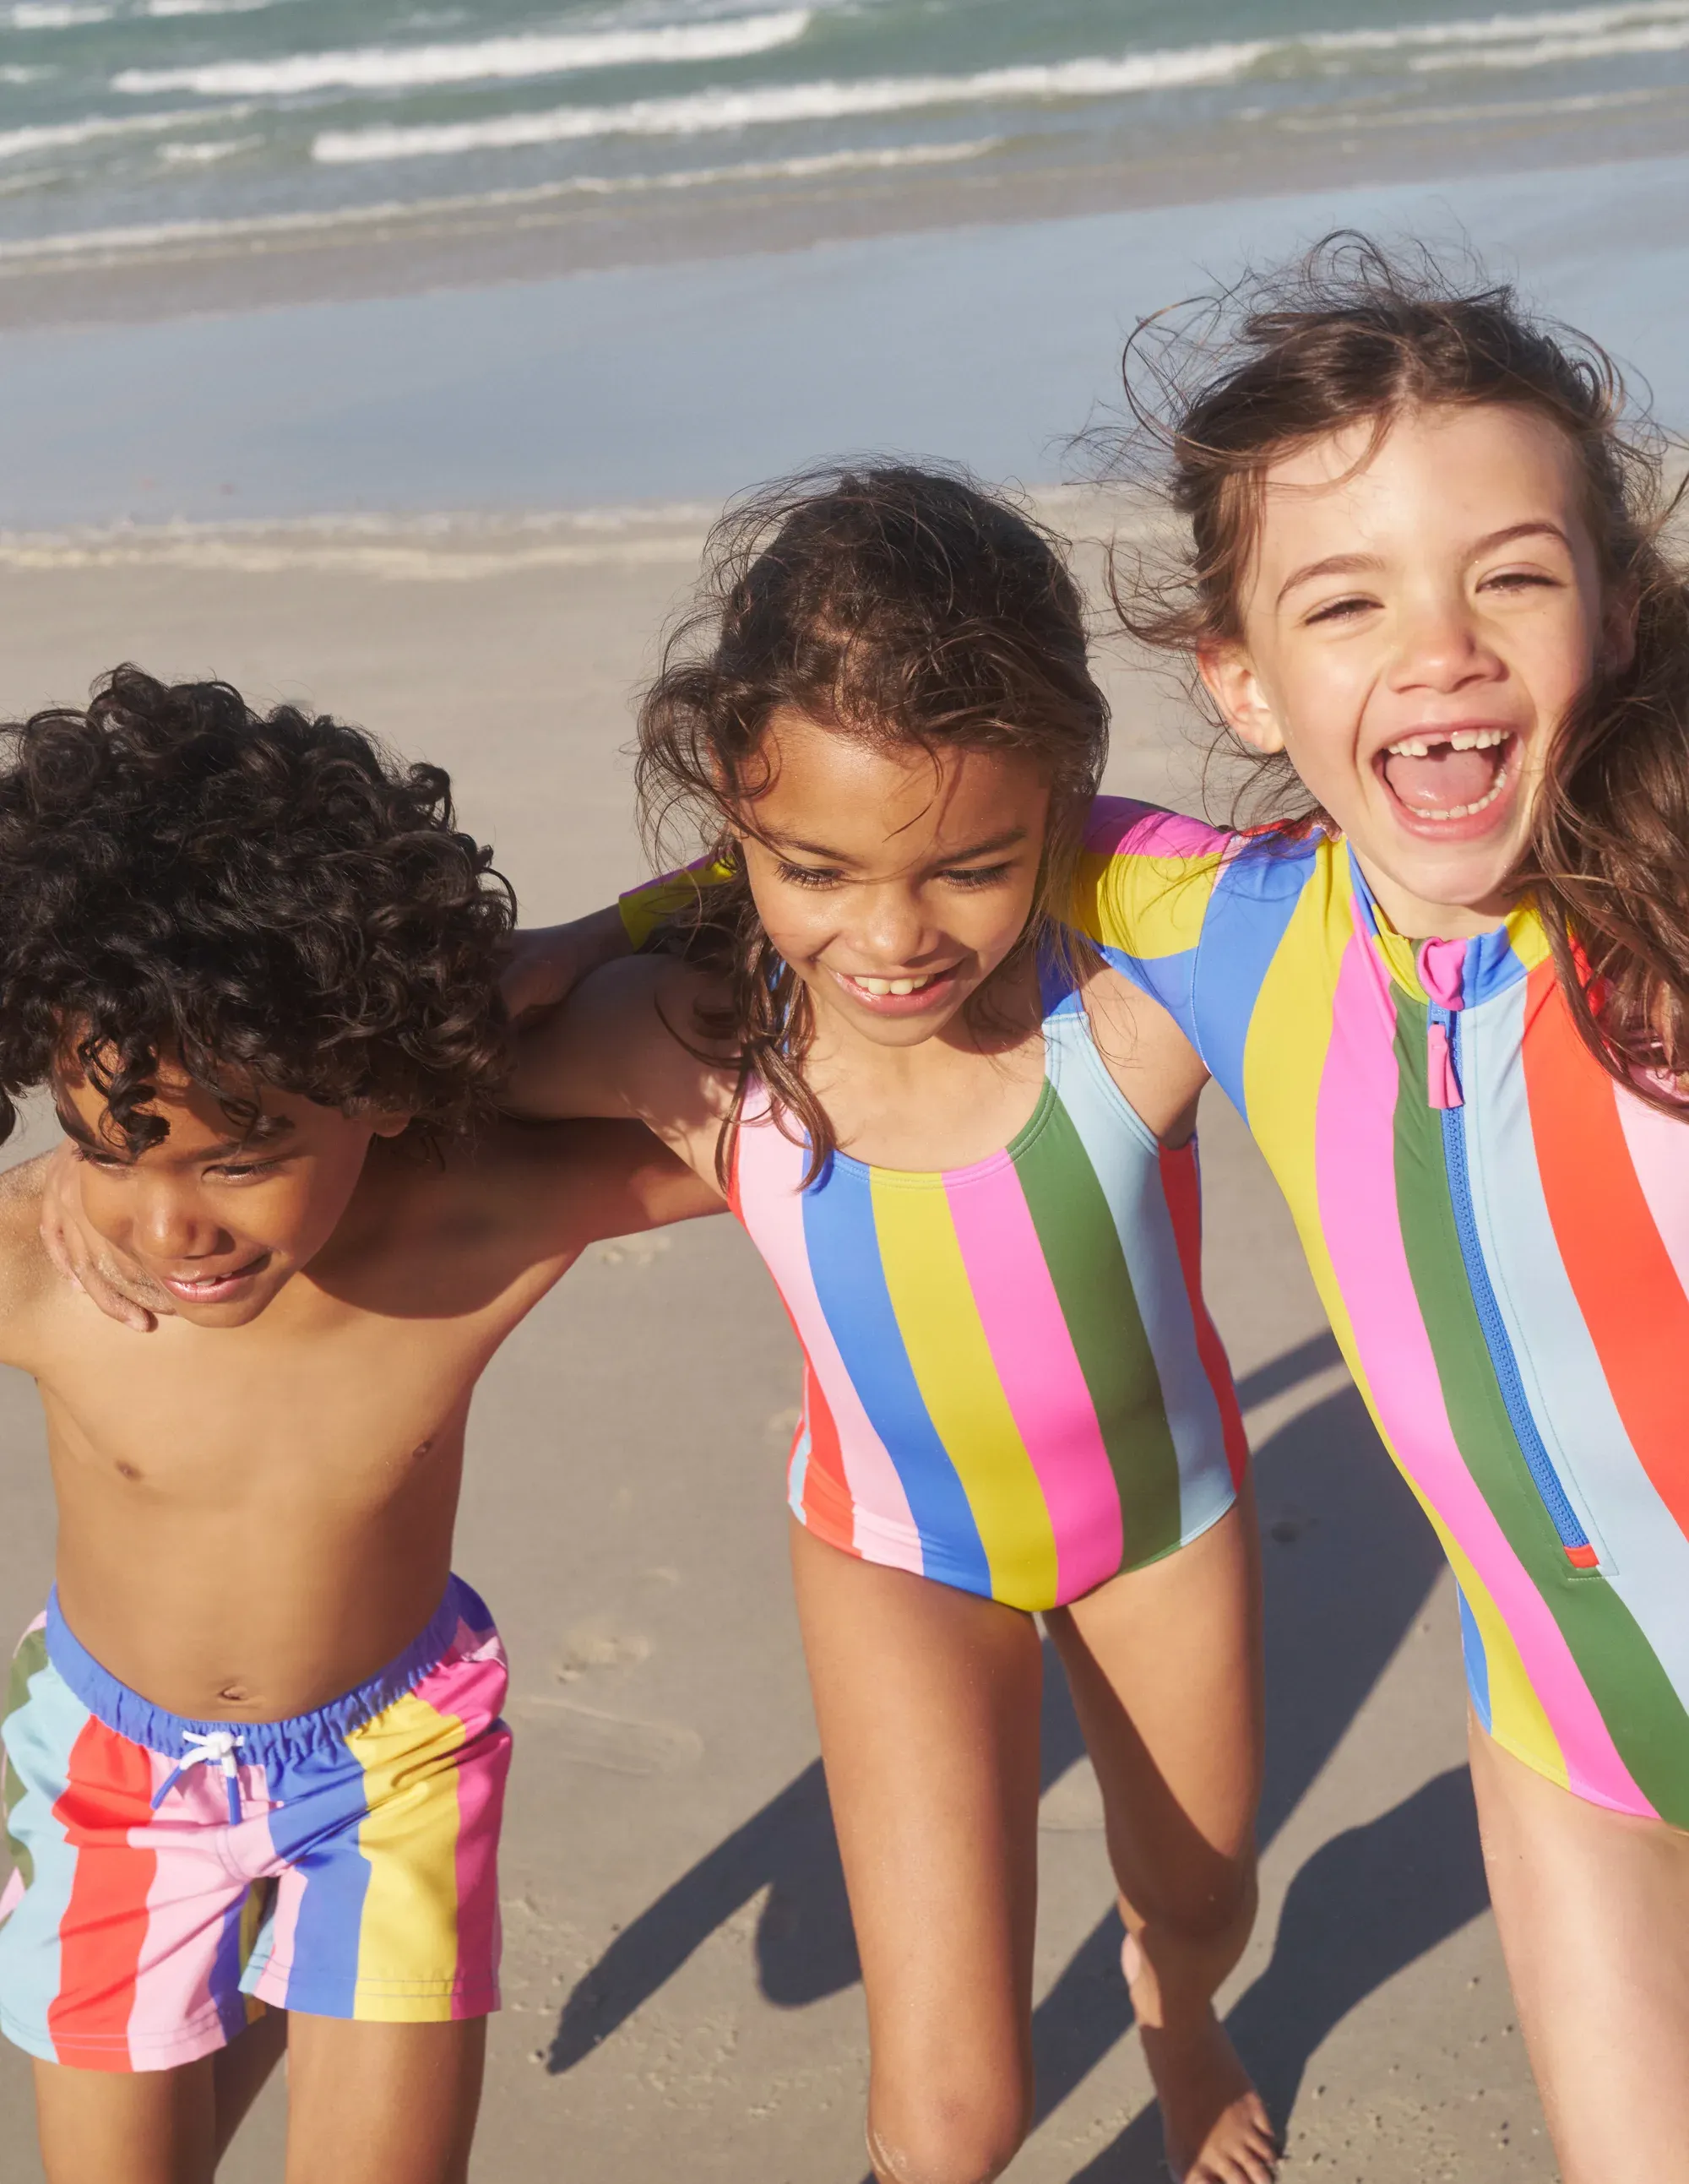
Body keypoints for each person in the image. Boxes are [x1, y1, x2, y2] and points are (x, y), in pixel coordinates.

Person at [502, 468, 1279, 2184]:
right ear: (733, 804)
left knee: (1203, 1887)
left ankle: (1176, 2002)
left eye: (973, 867)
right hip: (891, 1556)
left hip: (1159, 1526)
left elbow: (1334, 910)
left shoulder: (1131, 1012)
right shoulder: (698, 1043)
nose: (891, 936)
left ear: (1061, 801)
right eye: (814, 867)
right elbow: (401, 1105)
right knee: (949, 2128)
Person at [1056, 237, 1689, 2181]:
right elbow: (914, 822)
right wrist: (581, 945)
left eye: (1511, 574)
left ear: (1610, 605)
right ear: (1239, 682)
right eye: (1345, 604)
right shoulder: (1222, 927)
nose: (1441, 649)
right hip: (1573, 1762)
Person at [0, 669, 717, 2184]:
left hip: (391, 1757)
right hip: (112, 1779)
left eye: (245, 1151)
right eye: (111, 1145)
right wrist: (80, 1171)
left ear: (381, 1084)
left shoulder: (473, 1225)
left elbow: (810, 1017)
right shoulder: (42, 1258)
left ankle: (288, 1951)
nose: (172, 1220)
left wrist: (573, 954)